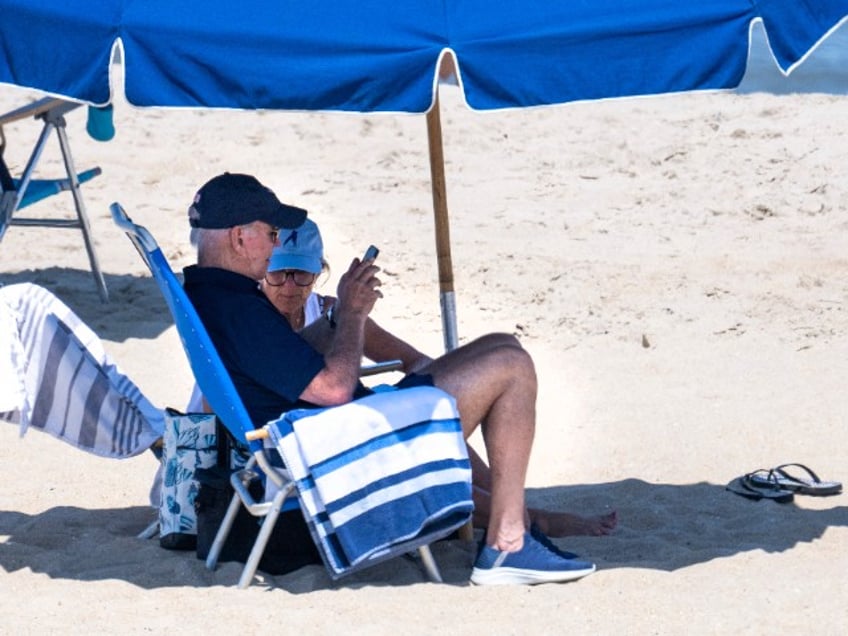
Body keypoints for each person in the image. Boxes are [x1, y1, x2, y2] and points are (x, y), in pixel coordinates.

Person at [183, 172, 597, 585]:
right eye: (272, 232)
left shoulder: (218, 296)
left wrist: (335, 318)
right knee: (512, 366)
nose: (277, 244)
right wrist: (353, 315)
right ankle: (508, 543)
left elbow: (285, 363)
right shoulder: (238, 308)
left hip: (321, 433)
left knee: (502, 343)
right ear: (239, 237)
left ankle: (516, 523)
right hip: (334, 451)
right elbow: (333, 388)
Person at [261, 218, 616, 538]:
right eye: (279, 274)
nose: (290, 286)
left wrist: (449, 385)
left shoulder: (330, 312)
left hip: (361, 422)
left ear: (320, 271)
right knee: (439, 450)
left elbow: (413, 360)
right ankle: (531, 520)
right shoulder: (257, 324)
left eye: (301, 274)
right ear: (263, 269)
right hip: (327, 449)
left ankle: (517, 513)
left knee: (454, 396)